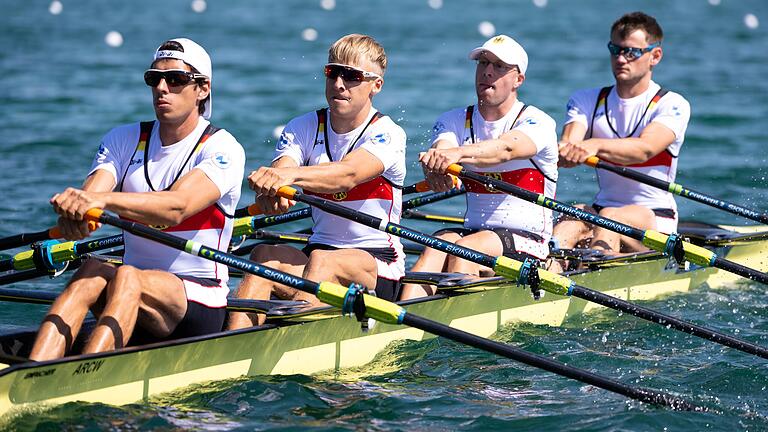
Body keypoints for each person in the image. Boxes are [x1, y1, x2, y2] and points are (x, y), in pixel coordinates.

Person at [29, 38, 245, 361]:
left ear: (202, 89)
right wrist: (77, 217)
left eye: (175, 79)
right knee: (91, 269)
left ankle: (89, 378)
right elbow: (93, 198)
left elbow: (176, 207)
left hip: (198, 301)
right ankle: (34, 370)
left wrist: (100, 201)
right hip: (130, 295)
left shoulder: (223, 148)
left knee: (127, 275)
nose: (161, 88)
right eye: (153, 79)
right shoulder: (123, 139)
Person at [227, 34, 406, 329]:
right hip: (317, 251)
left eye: (352, 76)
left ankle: (290, 342)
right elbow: (283, 168)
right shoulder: (303, 126)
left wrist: (290, 176)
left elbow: (347, 175)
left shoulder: (388, 134)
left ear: (376, 85)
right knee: (264, 256)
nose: (339, 83)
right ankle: (234, 345)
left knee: (324, 260)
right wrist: (272, 190)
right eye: (332, 72)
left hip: (378, 262)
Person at [400, 35, 558, 300]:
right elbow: (443, 147)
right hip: (475, 233)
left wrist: (456, 154)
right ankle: (402, 324)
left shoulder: (536, 122)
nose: (487, 71)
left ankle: (459, 334)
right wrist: (436, 168)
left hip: (529, 240)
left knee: (465, 252)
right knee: (434, 249)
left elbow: (506, 149)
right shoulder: (453, 120)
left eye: (499, 66)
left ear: (518, 79)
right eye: (483, 62)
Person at [553, 12, 691, 254]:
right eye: (614, 49)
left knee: (609, 218)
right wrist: (563, 153)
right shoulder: (586, 100)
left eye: (631, 52)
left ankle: (596, 274)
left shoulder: (671, 104)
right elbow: (568, 145)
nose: (620, 59)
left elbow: (644, 149)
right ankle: (551, 270)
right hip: (602, 208)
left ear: (655, 56)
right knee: (569, 219)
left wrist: (594, 145)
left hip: (655, 218)